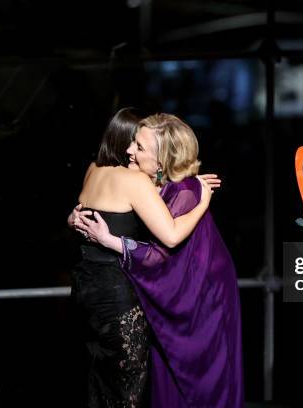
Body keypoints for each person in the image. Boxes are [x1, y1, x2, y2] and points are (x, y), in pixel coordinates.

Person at [75, 113, 244, 408]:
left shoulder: (186, 192)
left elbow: (163, 249)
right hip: (172, 302)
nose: (130, 151)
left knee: (197, 387)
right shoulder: (156, 185)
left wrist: (109, 240)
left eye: (140, 148)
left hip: (200, 304)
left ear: (162, 161)